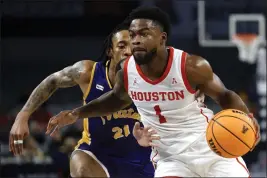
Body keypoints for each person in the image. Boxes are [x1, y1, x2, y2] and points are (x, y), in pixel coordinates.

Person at [44, 7, 261, 177]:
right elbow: (115, 100)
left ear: (162, 38)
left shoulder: (191, 66)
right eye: (133, 34)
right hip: (170, 159)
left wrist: (246, 121)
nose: (136, 40)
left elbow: (225, 96)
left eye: (144, 34)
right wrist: (76, 114)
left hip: (211, 148)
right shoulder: (127, 71)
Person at [9, 23, 156, 177]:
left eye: (133, 47)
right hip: (97, 155)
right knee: (81, 167)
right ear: (110, 51)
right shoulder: (89, 72)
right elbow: (52, 81)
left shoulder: (151, 79)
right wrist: (22, 116)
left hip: (142, 157)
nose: (128, 52)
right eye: (121, 46)